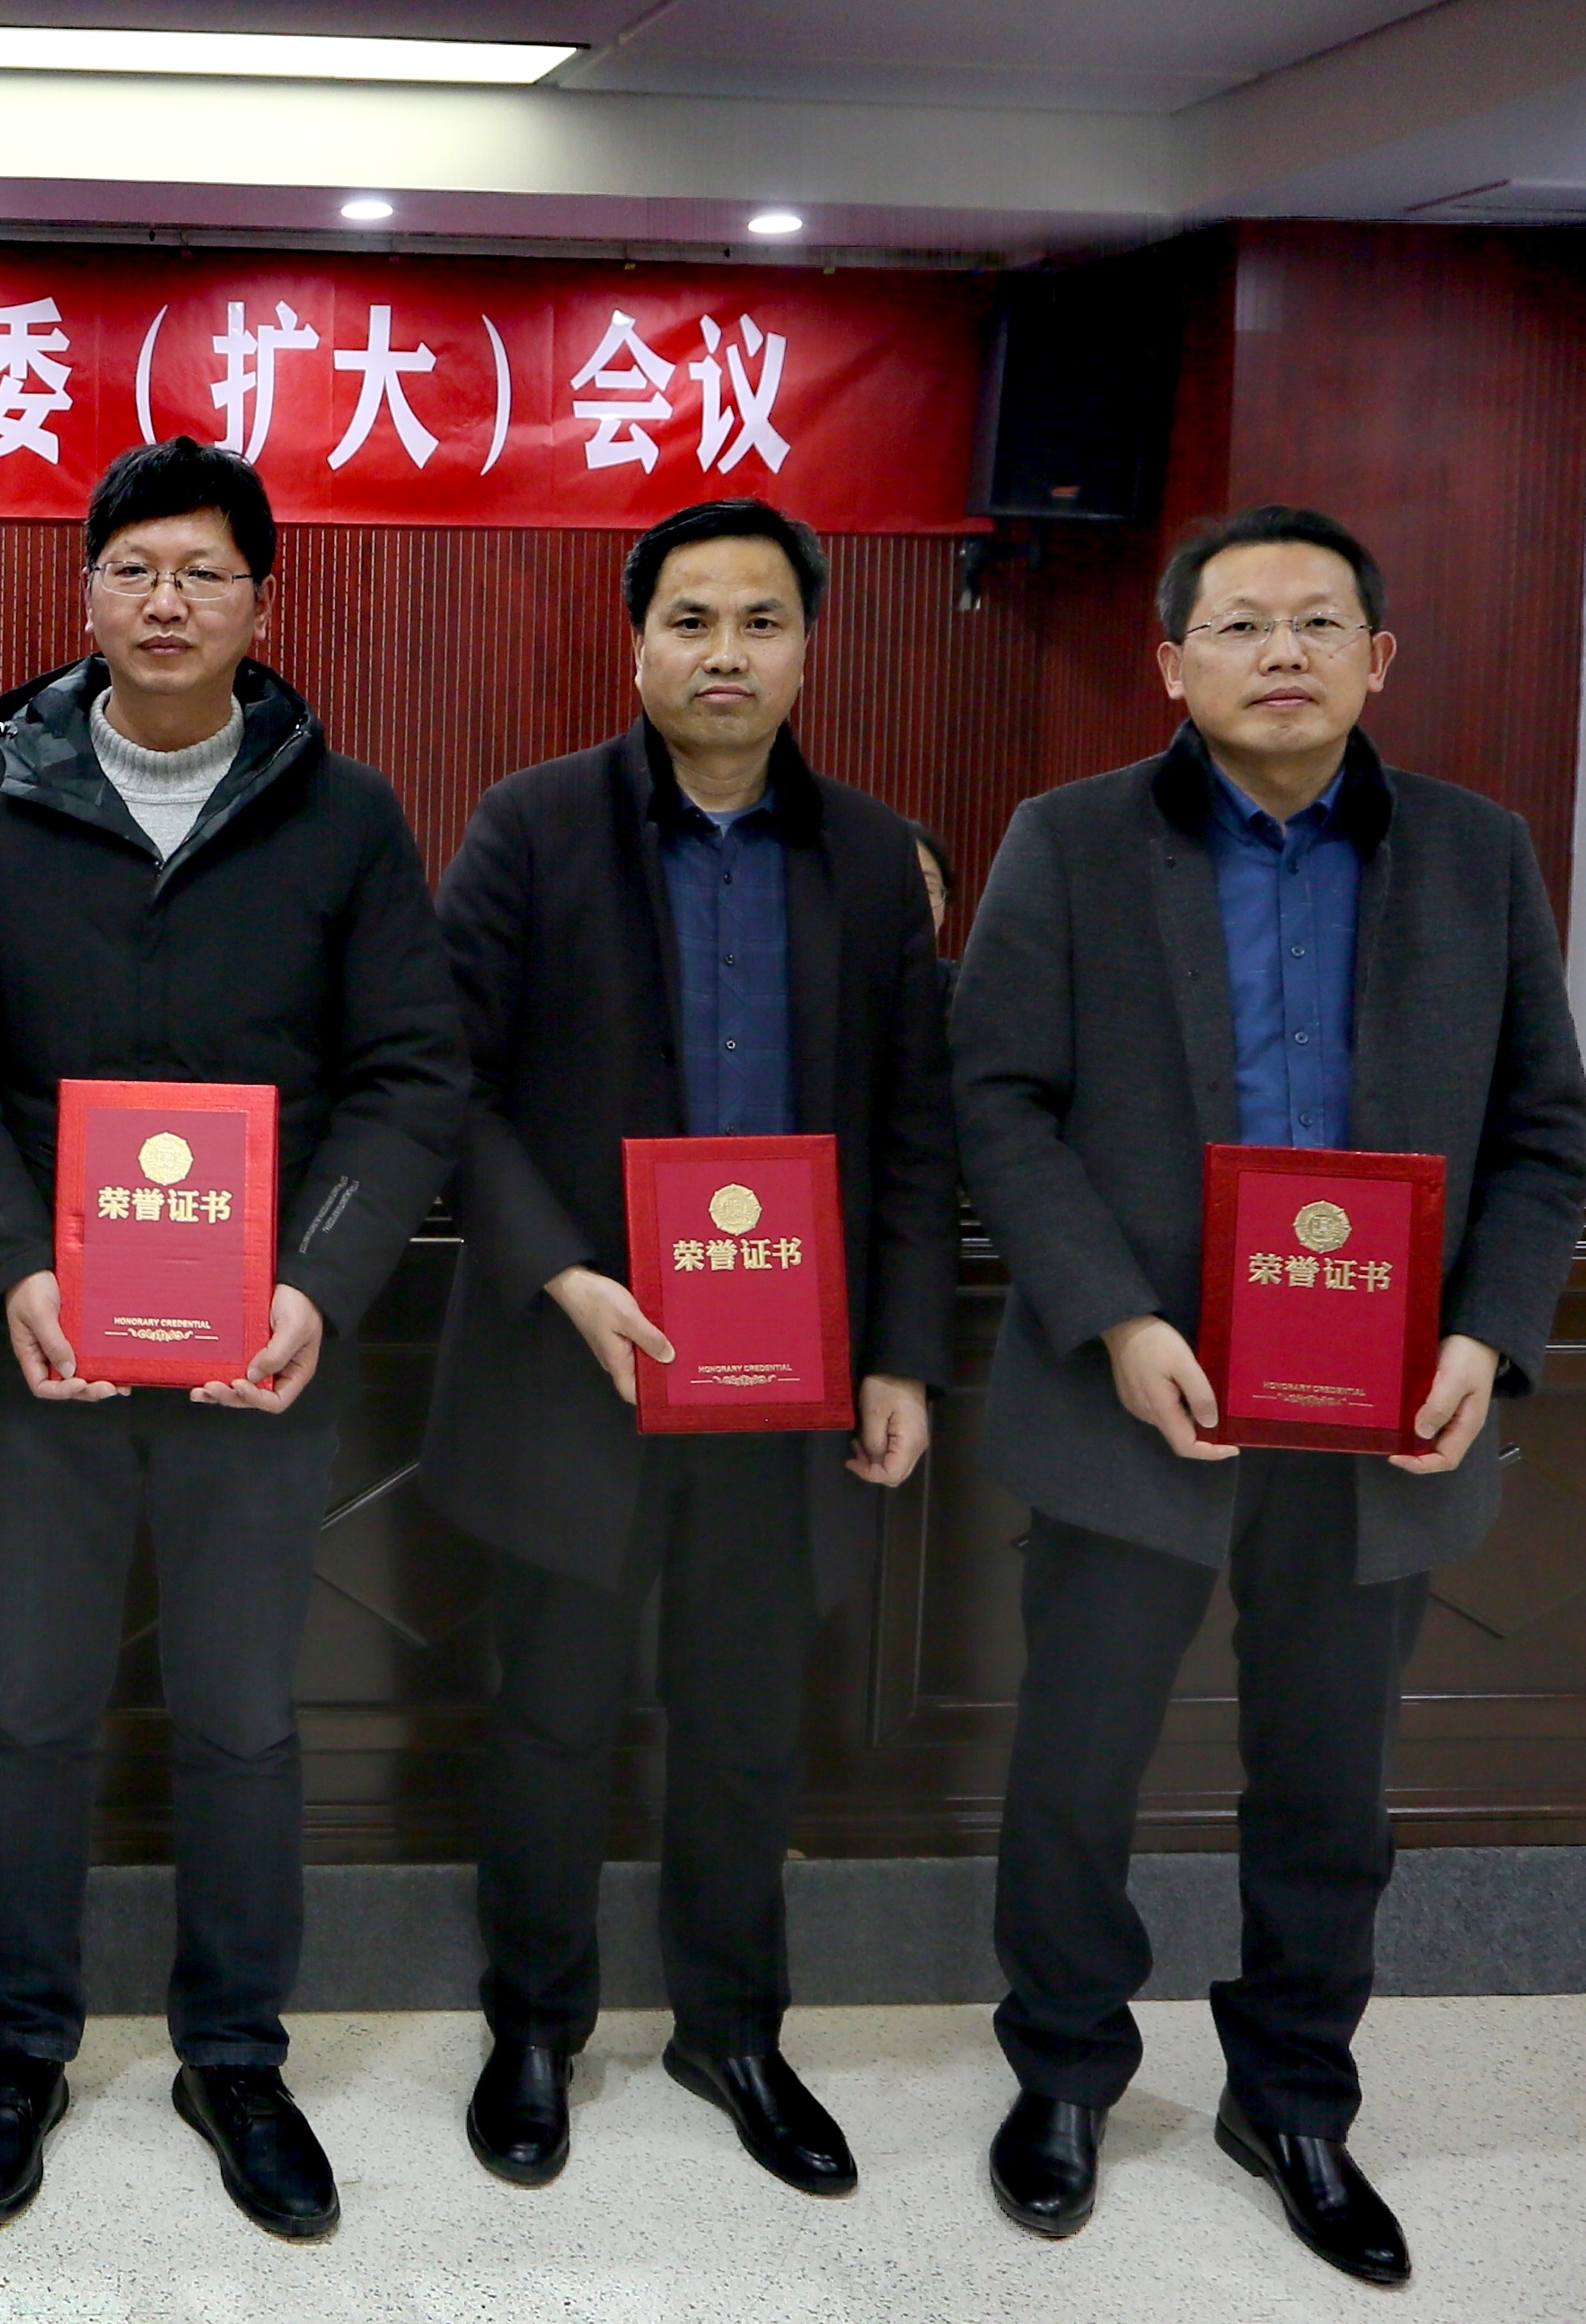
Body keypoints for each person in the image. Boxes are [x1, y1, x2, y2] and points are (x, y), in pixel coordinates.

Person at [953, 506, 1586, 2285]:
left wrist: (1486, 1337)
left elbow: (1542, 1131)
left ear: (1378, 659)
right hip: (1134, 1392)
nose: (1281, 652)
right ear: (1173, 663)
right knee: (1078, 1760)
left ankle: (1295, 2095)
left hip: (1380, 1418)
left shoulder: (1474, 855)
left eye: (1318, 622)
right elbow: (996, 1098)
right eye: (1239, 624)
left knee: (1328, 1779)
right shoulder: (1070, 840)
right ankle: (1063, 2070)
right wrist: (1110, 1319)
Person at [0, 436, 465, 2240]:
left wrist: (313, 1288)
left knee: (240, 1718)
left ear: (260, 606)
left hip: (253, 1355)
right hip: (45, 1348)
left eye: (203, 572)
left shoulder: (343, 815)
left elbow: (408, 1078)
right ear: (86, 597)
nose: (165, 601)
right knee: (33, 1709)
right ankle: (20, 2044)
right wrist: (9, 1267)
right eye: (133, 569)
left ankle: (234, 2052)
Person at [419, 500, 958, 2200]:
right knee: (553, 1716)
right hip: (576, 1360)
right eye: (694, 620)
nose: (727, 653)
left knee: (746, 1721)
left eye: (762, 621)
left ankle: (734, 2030)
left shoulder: (870, 856)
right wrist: (564, 1277)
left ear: (808, 648)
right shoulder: (530, 828)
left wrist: (901, 1354)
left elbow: (915, 1128)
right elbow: (449, 1087)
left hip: (788, 1381)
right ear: (637, 640)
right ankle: (534, 2025)